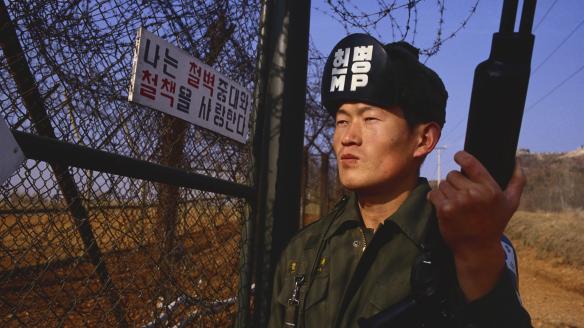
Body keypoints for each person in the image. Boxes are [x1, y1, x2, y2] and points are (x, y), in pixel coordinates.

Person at [268, 34, 532, 328]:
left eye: (370, 119)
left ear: (423, 139)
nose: (347, 137)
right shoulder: (304, 248)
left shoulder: (462, 243)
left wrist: (478, 254)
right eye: (342, 120)